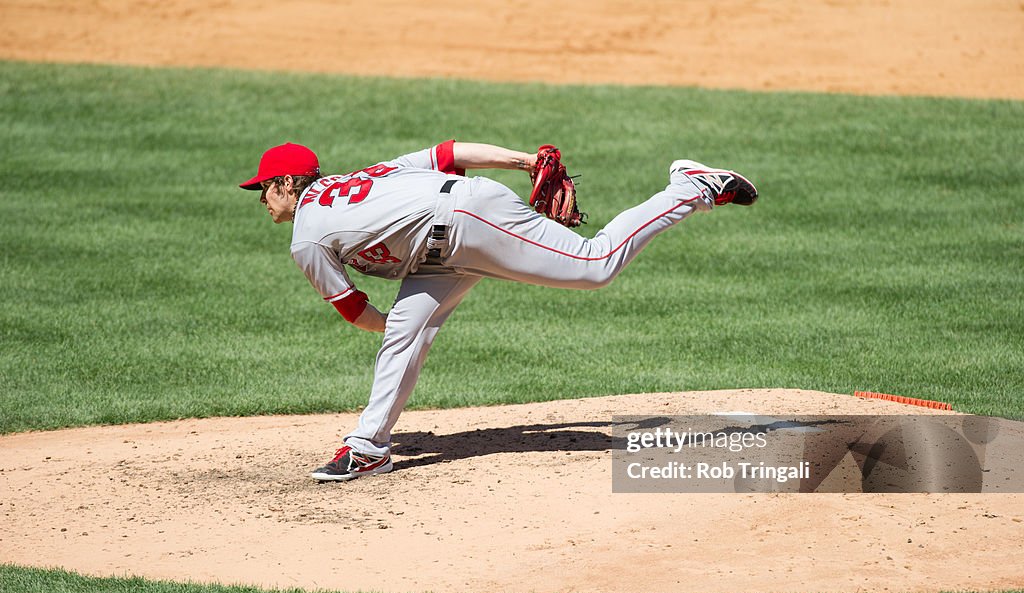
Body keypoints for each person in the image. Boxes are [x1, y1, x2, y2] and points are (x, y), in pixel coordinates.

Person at [240, 140, 757, 482]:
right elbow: (449, 150)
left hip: (465, 221)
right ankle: (369, 447)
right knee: (405, 333)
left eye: (265, 187)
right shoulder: (366, 176)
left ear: (288, 183)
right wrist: (524, 162)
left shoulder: (306, 234)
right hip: (442, 247)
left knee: (594, 265)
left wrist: (385, 323)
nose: (262, 199)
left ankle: (690, 187)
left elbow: (354, 311)